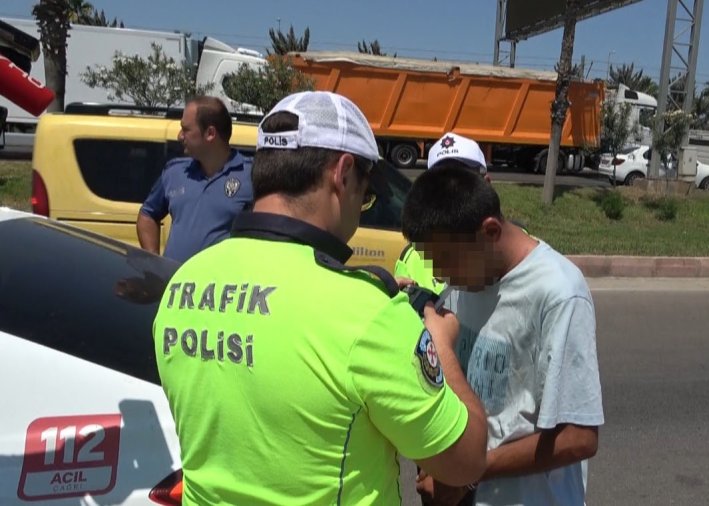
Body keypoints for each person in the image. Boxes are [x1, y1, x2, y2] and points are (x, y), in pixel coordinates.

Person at [153, 91, 487, 506]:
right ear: (343, 173)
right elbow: (466, 461)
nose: (359, 211)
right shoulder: (369, 314)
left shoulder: (185, 282)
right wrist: (441, 346)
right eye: (365, 196)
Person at [402, 166, 603, 506]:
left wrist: (469, 473)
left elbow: (578, 438)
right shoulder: (466, 280)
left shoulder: (558, 293)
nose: (440, 274)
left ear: (490, 231)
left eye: (446, 260)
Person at [137, 96, 253, 262]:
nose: (179, 136)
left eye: (186, 129)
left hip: (220, 285)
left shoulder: (251, 175)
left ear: (210, 134)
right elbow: (147, 215)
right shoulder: (175, 172)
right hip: (176, 283)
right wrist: (155, 263)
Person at [394, 132, 490, 295]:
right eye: (439, 183)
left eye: (462, 181)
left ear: (486, 183)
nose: (451, 190)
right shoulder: (411, 255)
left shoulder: (508, 249)